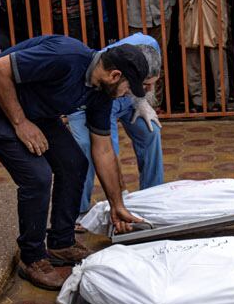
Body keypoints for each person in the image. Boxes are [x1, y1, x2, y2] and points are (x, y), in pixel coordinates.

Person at [0, 35, 148, 289]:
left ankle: (61, 243)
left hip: (36, 109)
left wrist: (117, 205)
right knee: (37, 176)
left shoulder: (100, 93)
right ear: (115, 75)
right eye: (128, 88)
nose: (126, 95)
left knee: (74, 163)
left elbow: (103, 149)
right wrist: (20, 123)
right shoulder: (66, 58)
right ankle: (32, 258)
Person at [66, 33, 165, 218]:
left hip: (128, 93)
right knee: (88, 150)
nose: (150, 89)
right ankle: (77, 212)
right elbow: (108, 152)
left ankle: (153, 195)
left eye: (153, 84)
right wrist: (121, 199)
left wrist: (142, 101)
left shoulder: (151, 45)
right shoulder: (109, 78)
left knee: (151, 131)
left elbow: (146, 81)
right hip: (98, 99)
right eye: (146, 85)